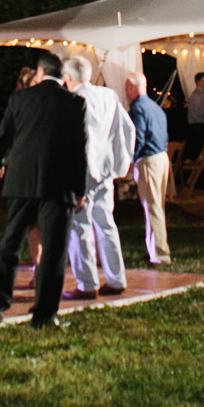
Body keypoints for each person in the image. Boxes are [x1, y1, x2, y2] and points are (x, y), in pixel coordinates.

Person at [0, 53, 89, 330]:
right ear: (63, 75)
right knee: (54, 252)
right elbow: (79, 150)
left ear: (41, 72)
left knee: (10, 243)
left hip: (21, 183)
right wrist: (79, 190)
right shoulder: (75, 102)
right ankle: (43, 316)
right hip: (59, 187)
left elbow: (2, 136)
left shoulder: (21, 99)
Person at [63, 56, 133, 299]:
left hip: (82, 168)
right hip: (104, 169)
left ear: (68, 77)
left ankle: (87, 284)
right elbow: (126, 128)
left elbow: (76, 140)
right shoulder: (108, 95)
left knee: (79, 226)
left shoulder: (72, 100)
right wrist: (119, 161)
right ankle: (116, 278)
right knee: (105, 223)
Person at [123, 71, 171, 265]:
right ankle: (156, 248)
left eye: (127, 87)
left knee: (152, 207)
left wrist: (128, 161)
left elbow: (138, 137)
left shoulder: (137, 108)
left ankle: (160, 254)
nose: (126, 91)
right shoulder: (155, 107)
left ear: (133, 88)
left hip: (149, 159)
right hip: (162, 156)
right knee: (157, 206)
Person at [184, 71, 204, 162]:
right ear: (198, 82)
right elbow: (198, 112)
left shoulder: (201, 95)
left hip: (201, 126)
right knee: (199, 151)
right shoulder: (197, 95)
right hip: (199, 127)